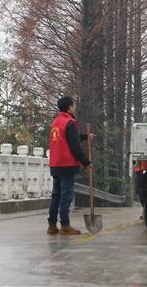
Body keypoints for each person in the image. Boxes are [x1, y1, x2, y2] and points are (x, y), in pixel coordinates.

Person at [47, 96, 92, 235]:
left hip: (55, 164)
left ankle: (52, 225)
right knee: (66, 195)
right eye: (73, 105)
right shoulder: (69, 122)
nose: (74, 107)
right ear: (70, 107)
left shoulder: (56, 122)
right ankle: (65, 225)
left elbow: (68, 138)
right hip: (66, 163)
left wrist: (85, 136)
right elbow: (74, 146)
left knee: (56, 195)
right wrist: (86, 162)